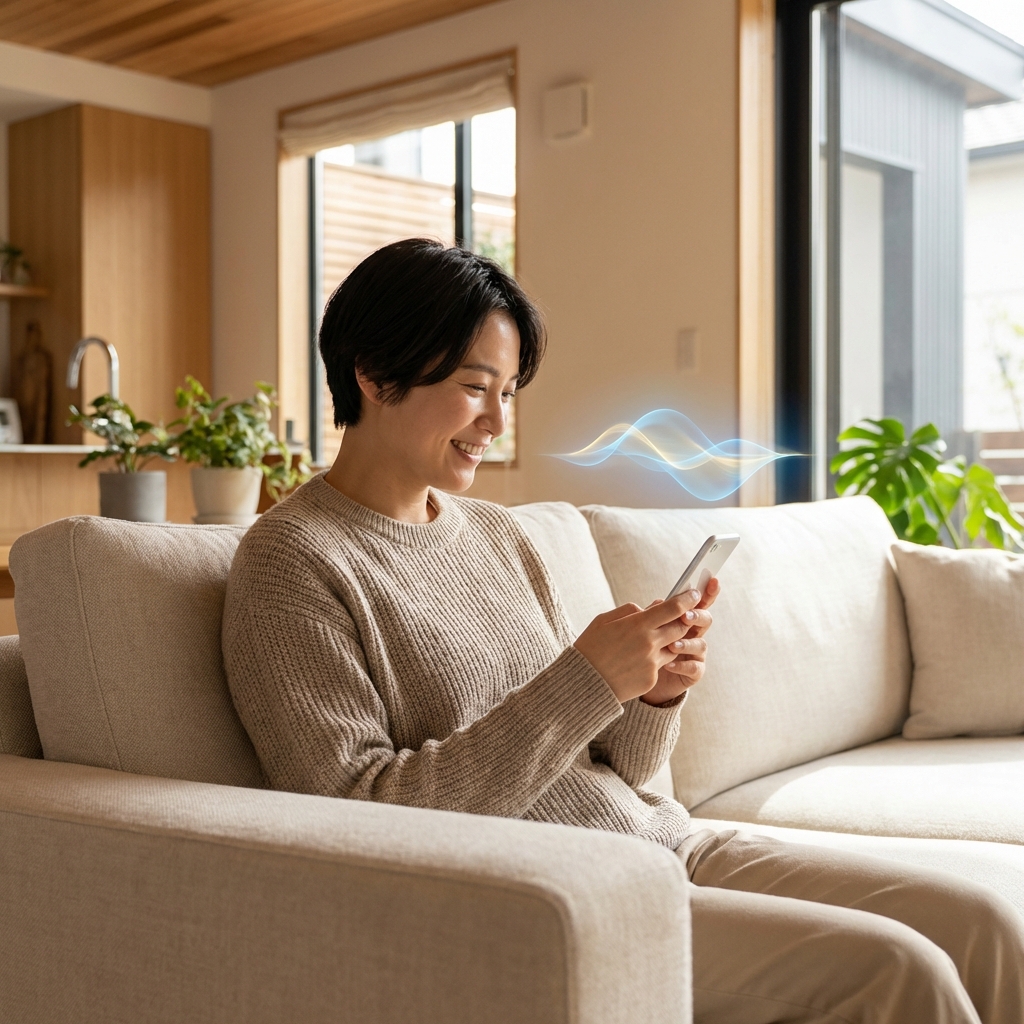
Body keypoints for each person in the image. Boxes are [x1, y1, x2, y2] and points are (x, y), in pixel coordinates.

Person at [223, 238, 1024, 1024]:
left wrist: (651, 695)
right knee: (896, 971)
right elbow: (354, 818)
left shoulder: (500, 536)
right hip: (562, 896)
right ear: (373, 375)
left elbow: (614, 772)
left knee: (983, 921)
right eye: (476, 388)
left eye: (509, 392)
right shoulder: (292, 561)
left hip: (664, 846)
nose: (498, 420)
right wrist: (587, 681)